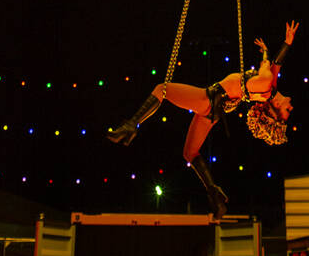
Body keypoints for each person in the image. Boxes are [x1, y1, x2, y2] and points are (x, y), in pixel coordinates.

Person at [107, 21, 298, 217]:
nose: (291, 108)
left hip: (210, 99)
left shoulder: (267, 83)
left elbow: (268, 66)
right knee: (190, 153)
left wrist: (267, 54)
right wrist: (285, 43)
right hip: (216, 112)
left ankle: (131, 125)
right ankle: (213, 190)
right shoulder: (269, 89)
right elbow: (277, 63)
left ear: (274, 109)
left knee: (161, 89)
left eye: (287, 112)